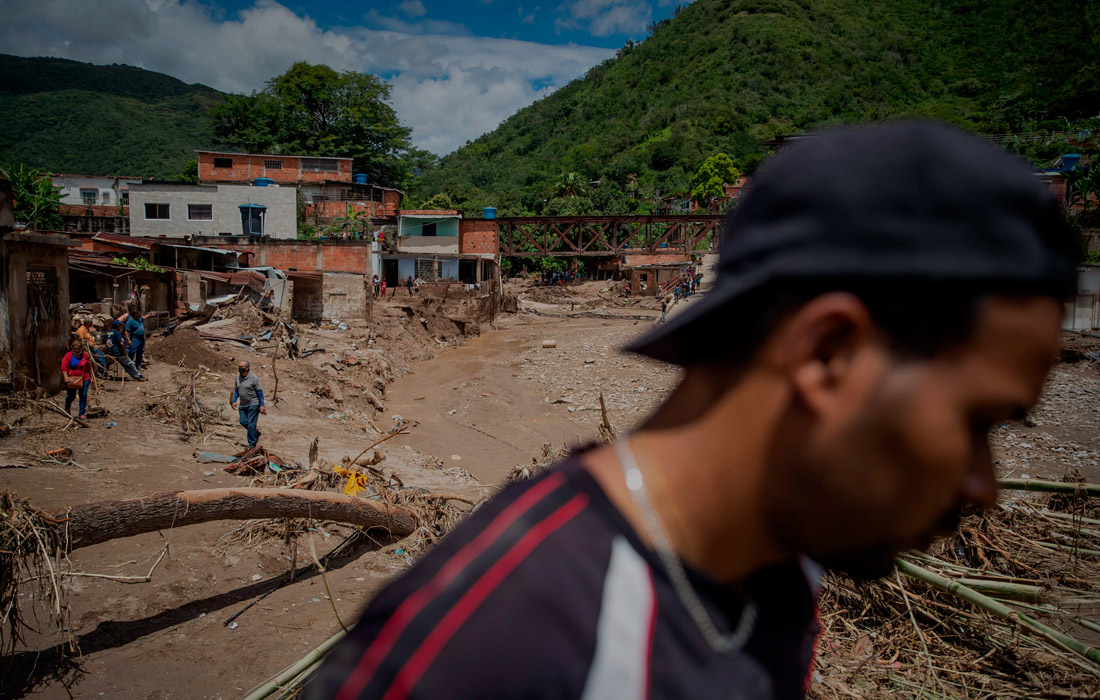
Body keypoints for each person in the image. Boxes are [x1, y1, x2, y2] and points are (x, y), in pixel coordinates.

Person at [306, 122, 1078, 700]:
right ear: (824, 355)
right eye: (980, 423)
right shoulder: (499, 647)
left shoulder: (787, 567)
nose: (986, 486)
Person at [231, 360, 265, 448]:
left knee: (251, 423)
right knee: (243, 421)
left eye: (241, 367)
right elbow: (236, 390)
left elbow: (260, 392)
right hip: (243, 404)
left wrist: (262, 405)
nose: (239, 369)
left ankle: (252, 443)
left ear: (247, 368)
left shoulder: (254, 378)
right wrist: (234, 401)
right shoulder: (237, 377)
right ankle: (254, 433)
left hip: (253, 403)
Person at [60, 338, 91, 420]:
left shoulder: (85, 356)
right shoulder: (68, 356)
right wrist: (66, 377)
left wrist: (92, 378)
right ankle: (67, 408)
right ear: (72, 348)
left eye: (78, 349)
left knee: (83, 395)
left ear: (81, 348)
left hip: (84, 378)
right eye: (75, 349)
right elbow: (64, 368)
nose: (77, 350)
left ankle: (81, 413)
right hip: (72, 379)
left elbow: (89, 367)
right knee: (71, 396)